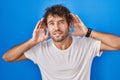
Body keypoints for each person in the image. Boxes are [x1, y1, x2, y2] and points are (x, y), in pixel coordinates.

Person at [2, 4, 120, 80]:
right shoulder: (40, 49)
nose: (56, 27)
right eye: (51, 23)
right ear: (47, 27)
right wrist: (32, 41)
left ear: (69, 25)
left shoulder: (86, 44)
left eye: (61, 22)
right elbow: (7, 58)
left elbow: (117, 44)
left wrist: (87, 32)